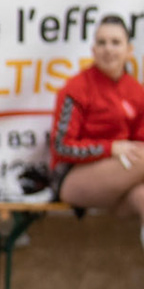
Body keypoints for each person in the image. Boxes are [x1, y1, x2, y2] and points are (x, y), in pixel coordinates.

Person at [51, 17, 144, 241]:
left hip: (122, 178)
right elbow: (61, 147)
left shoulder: (135, 91)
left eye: (115, 42)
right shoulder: (77, 88)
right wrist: (110, 148)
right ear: (93, 49)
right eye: (102, 43)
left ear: (129, 49)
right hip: (75, 178)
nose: (108, 49)